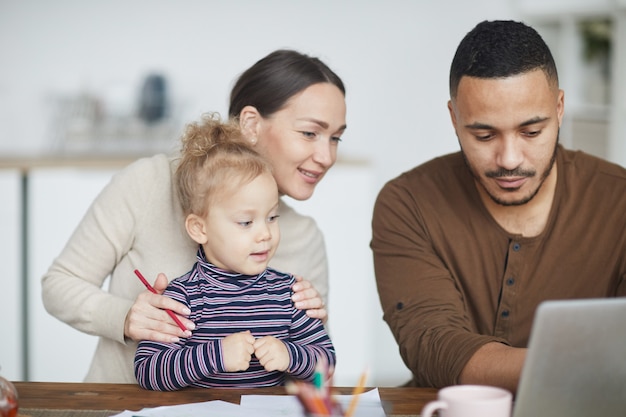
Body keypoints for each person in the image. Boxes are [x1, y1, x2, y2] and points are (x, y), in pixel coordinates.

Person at [42, 49, 347, 383]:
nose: (326, 155)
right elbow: (58, 284)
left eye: (335, 138)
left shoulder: (306, 237)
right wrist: (126, 316)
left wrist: (296, 353)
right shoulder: (150, 182)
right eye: (309, 133)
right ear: (251, 124)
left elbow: (318, 374)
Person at [371, 20, 626, 393]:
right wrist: (588, 365)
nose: (508, 159)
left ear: (559, 108)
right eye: (484, 135)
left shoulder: (619, 202)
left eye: (531, 132)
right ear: (454, 118)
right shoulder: (408, 202)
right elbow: (434, 346)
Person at [134, 115, 335, 390]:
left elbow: (327, 365)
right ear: (199, 228)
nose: (265, 234)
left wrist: (291, 356)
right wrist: (216, 356)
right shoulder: (183, 298)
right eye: (246, 222)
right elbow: (148, 371)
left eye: (272, 218)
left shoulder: (288, 293)